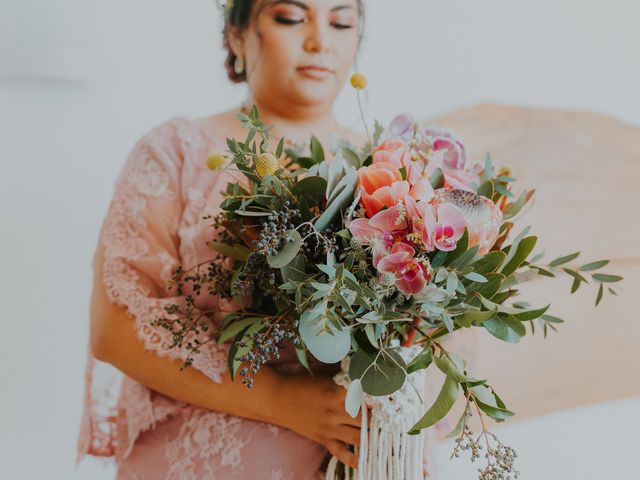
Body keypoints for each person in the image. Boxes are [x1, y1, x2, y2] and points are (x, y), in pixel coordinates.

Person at [76, 0, 369, 478]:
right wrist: (284, 401)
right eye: (291, 17)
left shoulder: (389, 171)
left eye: (341, 21)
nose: (321, 40)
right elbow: (114, 328)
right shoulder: (176, 153)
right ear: (236, 35)